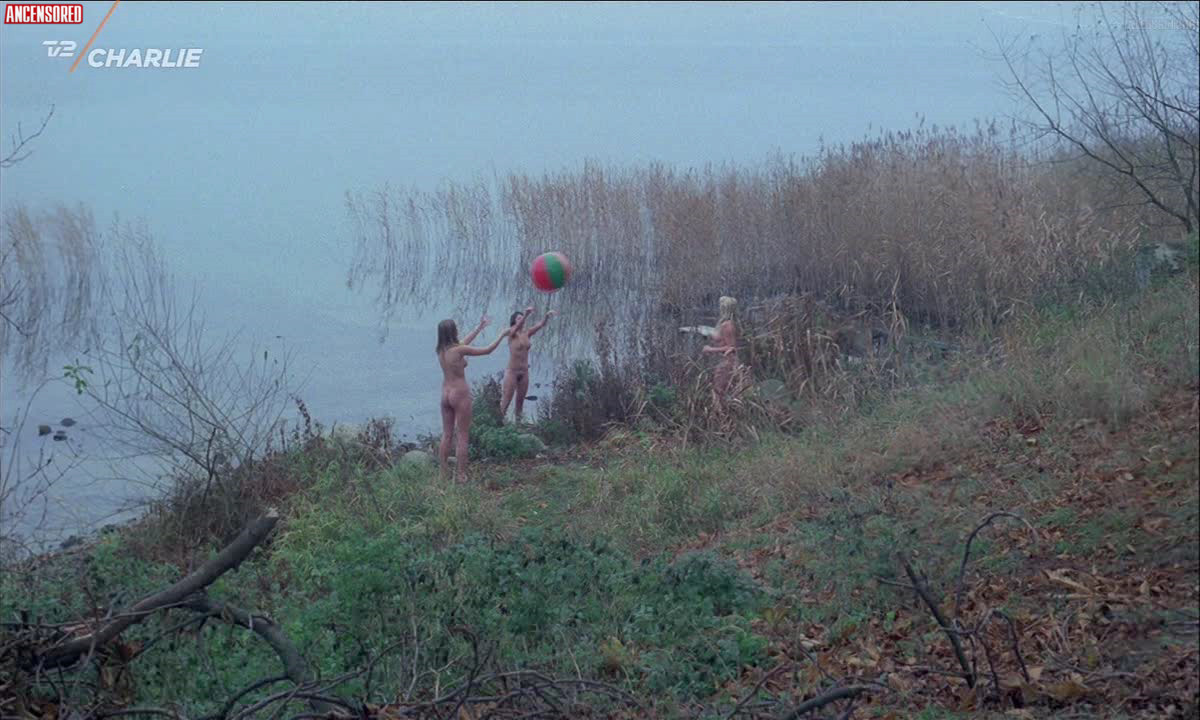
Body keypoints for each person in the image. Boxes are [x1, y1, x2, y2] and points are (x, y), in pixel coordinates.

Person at [436, 314, 510, 483]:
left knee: (447, 434)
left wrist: (479, 328)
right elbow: (488, 350)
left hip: (445, 394)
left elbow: (463, 343)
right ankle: (461, 475)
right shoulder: (459, 351)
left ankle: (443, 473)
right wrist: (502, 335)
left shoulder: (441, 351)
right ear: (453, 332)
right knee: (462, 435)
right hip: (459, 393)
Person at [500, 306, 556, 423]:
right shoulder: (511, 333)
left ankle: (518, 425)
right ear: (514, 321)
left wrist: (547, 316)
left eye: (522, 318)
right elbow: (516, 328)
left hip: (524, 372)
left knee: (520, 401)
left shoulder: (527, 333)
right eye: (519, 318)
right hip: (512, 372)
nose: (521, 320)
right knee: (506, 400)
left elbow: (540, 325)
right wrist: (526, 314)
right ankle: (498, 423)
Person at [702, 295, 740, 400]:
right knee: (721, 391)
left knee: (719, 392)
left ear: (724, 309)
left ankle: (721, 410)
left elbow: (731, 347)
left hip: (727, 362)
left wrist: (710, 349)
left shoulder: (727, 325)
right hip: (722, 361)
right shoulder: (726, 323)